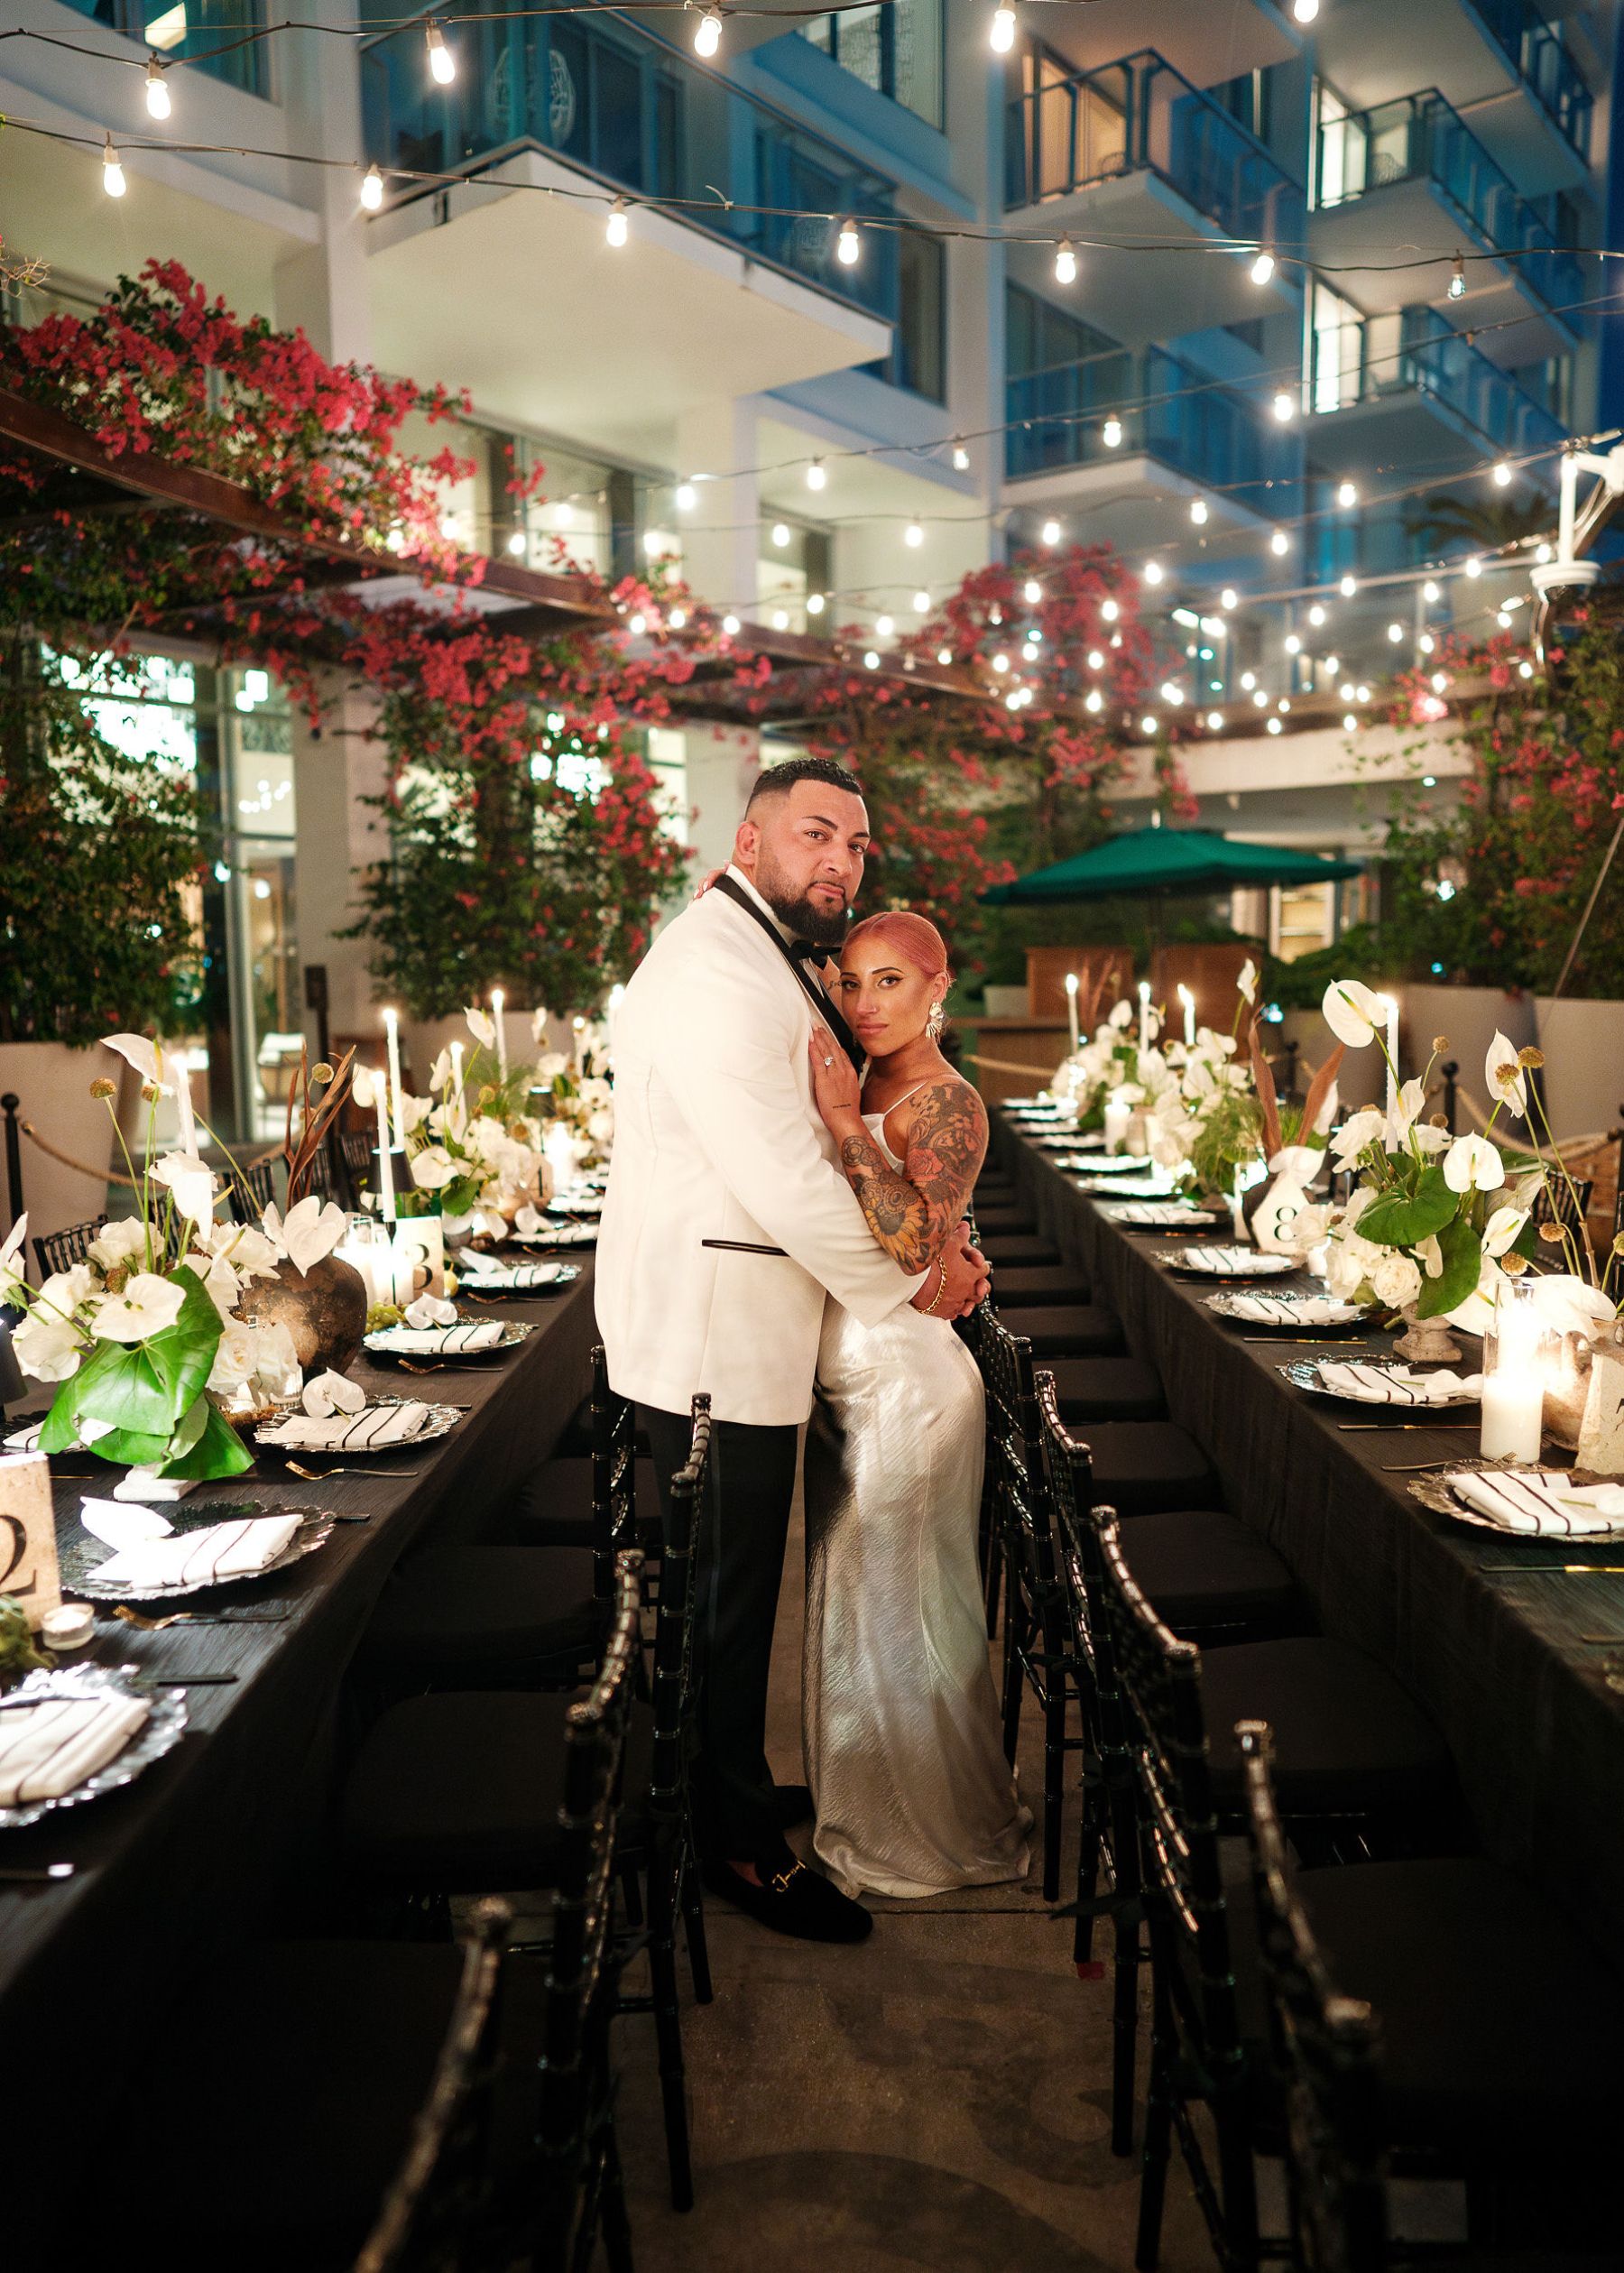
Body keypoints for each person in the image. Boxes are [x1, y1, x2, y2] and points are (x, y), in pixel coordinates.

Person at [595, 755, 990, 1945]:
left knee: (733, 1591)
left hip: (751, 1319)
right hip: (716, 1327)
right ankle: (736, 1849)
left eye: (859, 845)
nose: (841, 859)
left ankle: (729, 1795)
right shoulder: (716, 968)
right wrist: (913, 1282)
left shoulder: (758, 950)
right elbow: (781, 1175)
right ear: (750, 836)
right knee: (724, 1601)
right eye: (818, 832)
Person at [803, 911, 1031, 1899]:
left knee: (907, 1613)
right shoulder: (859, 1072)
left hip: (908, 1384)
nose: (866, 1004)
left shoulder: (950, 1103)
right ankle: (872, 1806)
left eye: (890, 982)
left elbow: (910, 1241)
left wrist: (847, 1125)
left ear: (939, 986)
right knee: (858, 1607)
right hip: (856, 1379)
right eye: (852, 983)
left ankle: (926, 1834)